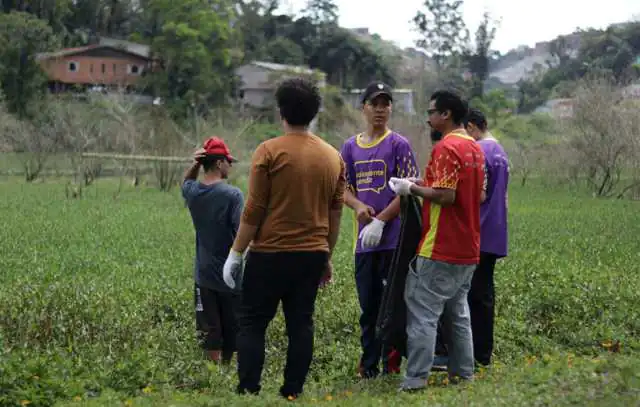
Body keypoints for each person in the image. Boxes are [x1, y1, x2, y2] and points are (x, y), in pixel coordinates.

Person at [221, 77, 346, 400]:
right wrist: (326, 256)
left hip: (269, 254)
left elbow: (254, 209)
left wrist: (236, 253)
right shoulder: (333, 157)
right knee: (301, 323)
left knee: (252, 323)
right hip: (312, 254)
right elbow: (335, 214)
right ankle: (292, 391)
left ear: (281, 112)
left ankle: (249, 389)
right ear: (314, 113)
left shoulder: (269, 151)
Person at [388, 90, 486, 392]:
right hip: (468, 248)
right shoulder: (475, 149)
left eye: (431, 112)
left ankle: (416, 378)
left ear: (445, 114)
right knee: (458, 313)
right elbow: (477, 195)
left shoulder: (447, 148)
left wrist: (410, 189)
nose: (428, 118)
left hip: (440, 247)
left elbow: (446, 196)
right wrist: (423, 184)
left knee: (423, 313)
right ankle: (463, 373)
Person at [339, 81, 420, 379]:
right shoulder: (350, 147)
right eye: (375, 103)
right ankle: (368, 364)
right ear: (364, 108)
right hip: (364, 244)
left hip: (394, 242)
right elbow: (342, 188)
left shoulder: (399, 144)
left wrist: (381, 220)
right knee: (368, 306)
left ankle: (392, 363)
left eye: (386, 104)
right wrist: (358, 207)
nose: (381, 109)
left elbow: (409, 189)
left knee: (393, 305)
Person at [181, 136, 244, 365]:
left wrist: (195, 164)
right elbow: (241, 232)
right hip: (231, 275)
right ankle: (230, 379)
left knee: (210, 331)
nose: (230, 165)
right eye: (228, 160)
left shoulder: (193, 193)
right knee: (234, 330)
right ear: (219, 164)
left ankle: (213, 378)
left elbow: (185, 183)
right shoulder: (232, 195)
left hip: (204, 275)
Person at [463, 108, 509, 367]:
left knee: (474, 295)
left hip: (478, 230)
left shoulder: (480, 151)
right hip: (495, 231)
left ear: (470, 127)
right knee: (485, 293)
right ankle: (483, 353)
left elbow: (478, 195)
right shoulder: (500, 151)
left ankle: (478, 355)